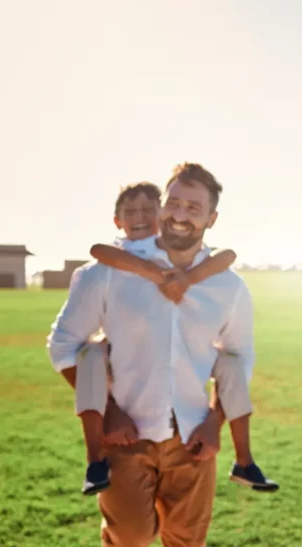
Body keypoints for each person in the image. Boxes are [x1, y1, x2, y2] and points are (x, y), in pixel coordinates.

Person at [48, 162, 254, 547]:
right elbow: (64, 347)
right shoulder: (108, 273)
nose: (181, 214)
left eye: (194, 207)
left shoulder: (228, 287)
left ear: (211, 218)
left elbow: (239, 359)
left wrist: (215, 422)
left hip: (194, 438)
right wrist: (108, 410)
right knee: (131, 541)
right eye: (174, 202)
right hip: (126, 438)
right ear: (162, 207)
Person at [74, 181, 278, 495]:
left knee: (233, 363)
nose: (139, 218)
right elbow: (98, 251)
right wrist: (157, 276)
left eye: (147, 211)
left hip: (185, 400)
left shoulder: (178, 251)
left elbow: (227, 255)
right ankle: (94, 460)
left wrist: (187, 279)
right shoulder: (124, 253)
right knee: (90, 356)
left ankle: (245, 460)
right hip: (125, 367)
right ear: (118, 221)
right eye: (130, 213)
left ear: (160, 215)